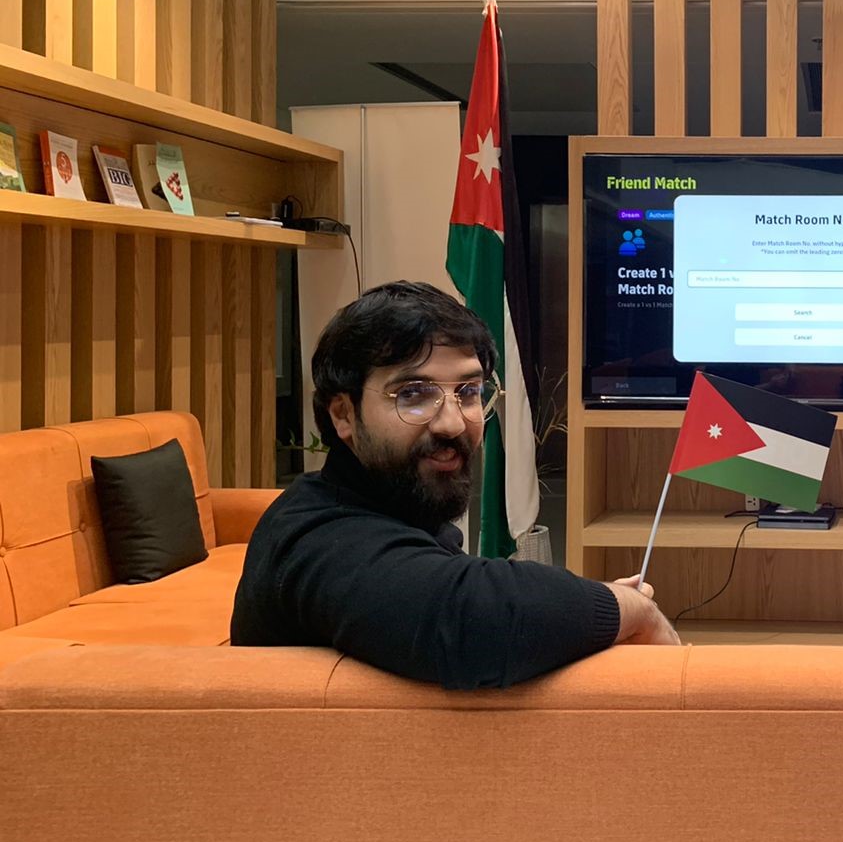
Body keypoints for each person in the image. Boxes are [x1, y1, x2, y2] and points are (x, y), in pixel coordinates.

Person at [232, 281, 678, 688]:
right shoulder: (317, 537)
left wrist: (584, 612)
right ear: (343, 415)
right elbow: (471, 622)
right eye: (412, 394)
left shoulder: (401, 508)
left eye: (468, 392)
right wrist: (628, 609)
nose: (452, 422)